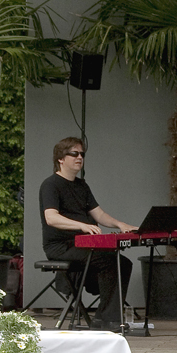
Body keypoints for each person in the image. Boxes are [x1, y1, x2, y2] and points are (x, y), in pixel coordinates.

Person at [39, 137, 136, 330]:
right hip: (62, 247)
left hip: (84, 245)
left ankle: (105, 317)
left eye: (82, 154)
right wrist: (81, 226)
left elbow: (98, 214)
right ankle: (107, 321)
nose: (79, 157)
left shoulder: (82, 185)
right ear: (60, 158)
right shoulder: (50, 185)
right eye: (74, 153)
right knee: (109, 261)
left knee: (122, 262)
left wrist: (120, 224)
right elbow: (51, 217)